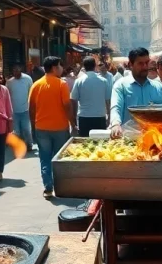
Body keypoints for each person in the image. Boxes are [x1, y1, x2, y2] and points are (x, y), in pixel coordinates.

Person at [29, 56, 75, 199]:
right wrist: (73, 123)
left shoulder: (36, 85)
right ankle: (60, 186)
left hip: (41, 128)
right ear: (54, 68)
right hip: (60, 128)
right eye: (60, 65)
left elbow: (31, 108)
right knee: (59, 159)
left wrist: (33, 126)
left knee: (45, 158)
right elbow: (67, 106)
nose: (61, 68)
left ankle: (48, 188)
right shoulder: (61, 84)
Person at [109, 48, 162, 137]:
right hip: (128, 140)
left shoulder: (158, 87)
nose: (145, 67)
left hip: (155, 139)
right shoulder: (120, 86)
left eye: (146, 63)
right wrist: (115, 124)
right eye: (140, 64)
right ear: (130, 65)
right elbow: (116, 108)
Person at [72, 57, 110, 136]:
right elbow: (107, 101)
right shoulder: (104, 81)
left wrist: (74, 118)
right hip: (100, 117)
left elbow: (73, 100)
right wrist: (109, 116)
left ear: (84, 67)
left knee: (84, 143)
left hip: (84, 117)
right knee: (100, 143)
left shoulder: (78, 81)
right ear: (95, 66)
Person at [6, 65, 34, 150]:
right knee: (16, 131)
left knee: (26, 129)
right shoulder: (10, 82)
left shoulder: (28, 79)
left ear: (20, 70)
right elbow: (7, 95)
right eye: (14, 71)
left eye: (17, 70)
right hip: (14, 111)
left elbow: (31, 92)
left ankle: (29, 145)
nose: (16, 73)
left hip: (25, 109)